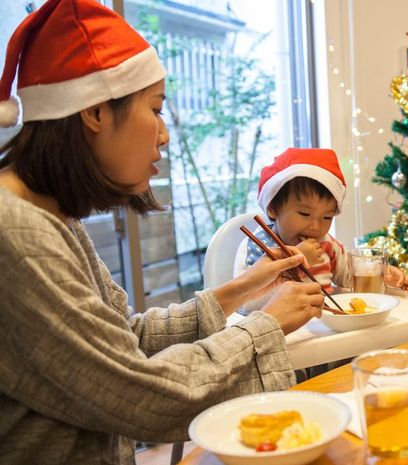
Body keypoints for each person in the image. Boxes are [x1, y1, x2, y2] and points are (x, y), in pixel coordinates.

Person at [0, 0, 324, 462]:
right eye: (155, 108)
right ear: (94, 112)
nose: (165, 134)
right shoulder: (17, 235)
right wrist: (264, 326)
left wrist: (237, 291)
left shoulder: (51, 216)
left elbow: (122, 337)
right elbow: (136, 393)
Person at [236, 148, 408, 312]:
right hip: (279, 333)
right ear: (273, 208)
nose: (316, 226)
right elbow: (246, 303)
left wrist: (381, 273)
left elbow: (349, 276)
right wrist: (297, 264)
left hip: (325, 327)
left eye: (327, 217)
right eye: (304, 213)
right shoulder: (256, 247)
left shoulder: (326, 244)